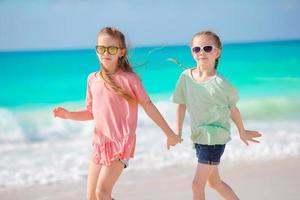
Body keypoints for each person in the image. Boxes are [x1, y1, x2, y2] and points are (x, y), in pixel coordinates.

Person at [53, 27, 182, 200]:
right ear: (96, 50)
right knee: (92, 197)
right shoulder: (92, 79)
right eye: (101, 48)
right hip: (99, 144)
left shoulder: (129, 79)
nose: (106, 53)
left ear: (121, 52)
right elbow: (91, 113)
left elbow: (149, 106)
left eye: (112, 49)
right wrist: (68, 115)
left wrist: (169, 133)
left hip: (121, 144)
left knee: (102, 193)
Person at [171, 31, 262, 200]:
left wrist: (242, 132)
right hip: (199, 137)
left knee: (196, 185)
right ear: (192, 52)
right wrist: (177, 133)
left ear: (217, 52)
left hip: (213, 139)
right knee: (214, 183)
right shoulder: (186, 77)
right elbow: (181, 103)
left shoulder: (222, 84)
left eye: (207, 48)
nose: (201, 53)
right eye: (196, 49)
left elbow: (233, 109)